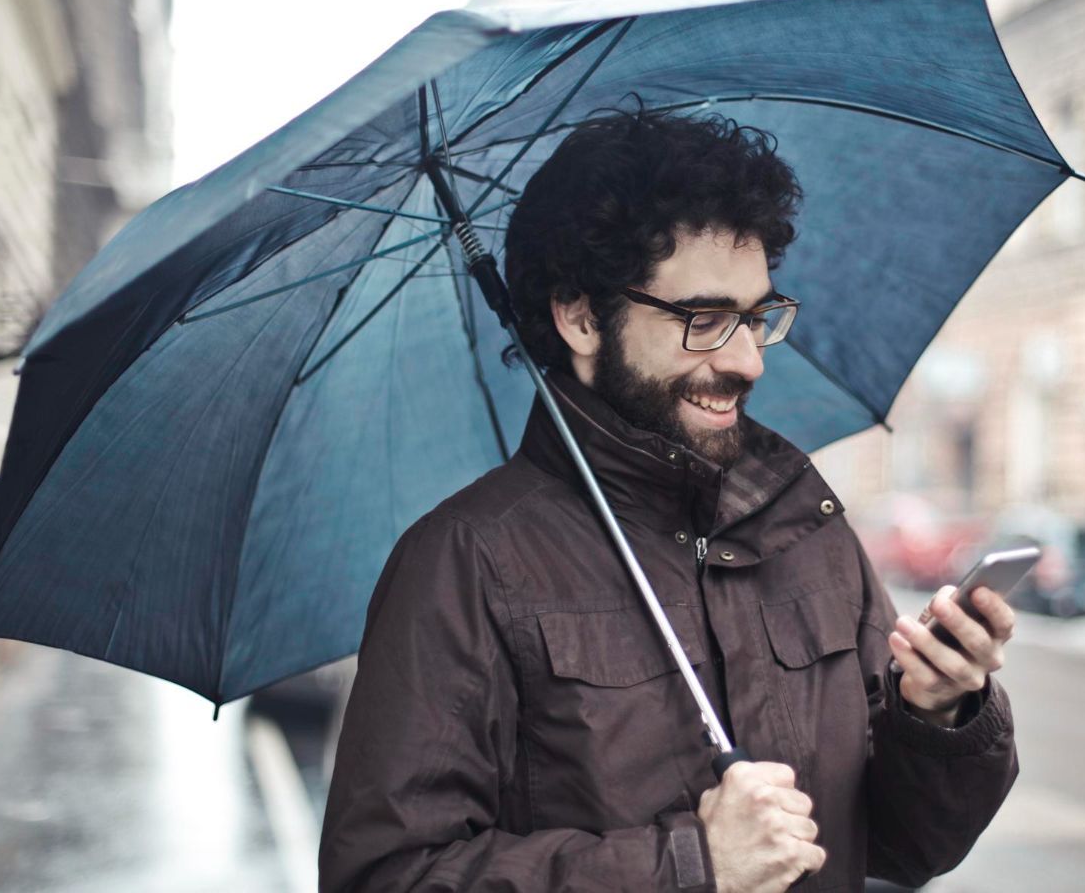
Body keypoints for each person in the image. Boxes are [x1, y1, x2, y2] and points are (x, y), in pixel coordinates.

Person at [319, 107, 1019, 892]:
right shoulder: (466, 562)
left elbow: (907, 849)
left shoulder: (801, 524)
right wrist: (688, 866)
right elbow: (385, 877)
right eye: (706, 320)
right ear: (582, 316)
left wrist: (936, 714)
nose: (748, 361)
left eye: (756, 318)